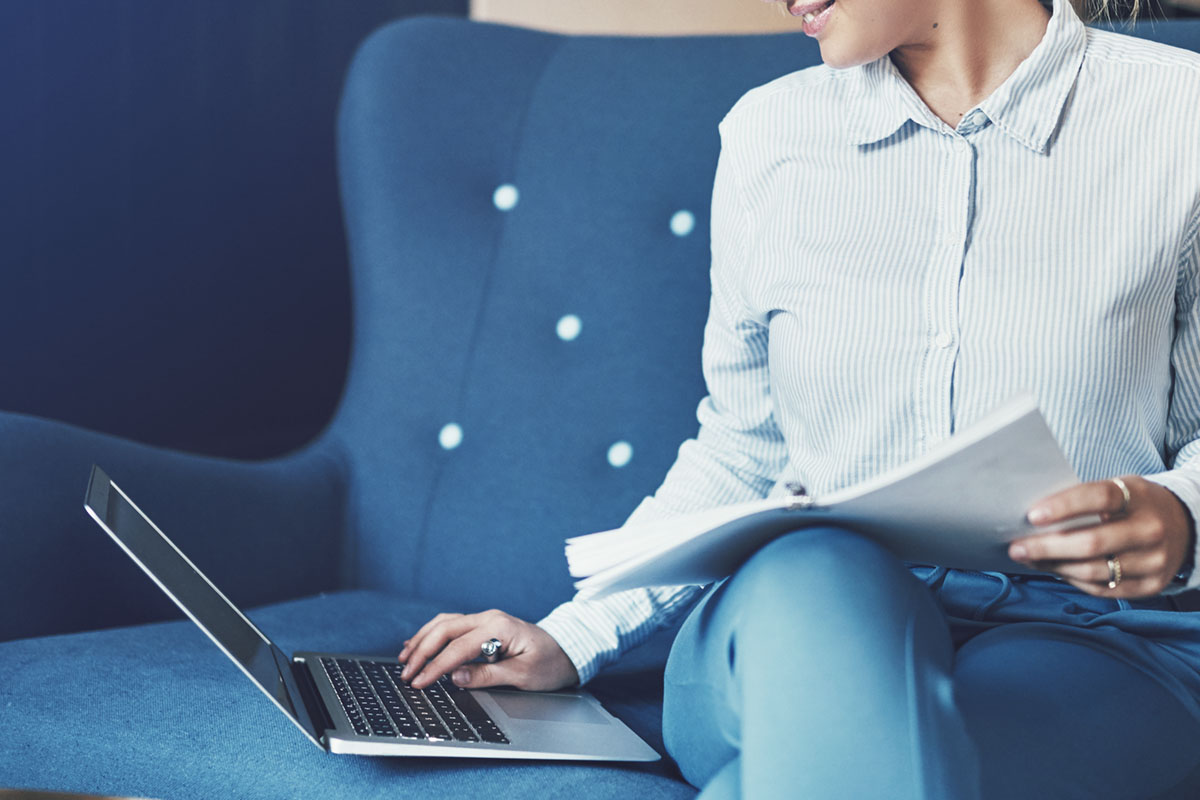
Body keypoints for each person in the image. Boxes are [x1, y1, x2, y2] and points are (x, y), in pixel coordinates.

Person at [397, 0, 1200, 795]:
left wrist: (1180, 514)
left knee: (849, 764)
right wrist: (572, 634)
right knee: (822, 572)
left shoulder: (1179, 116)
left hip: (1091, 635)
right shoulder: (769, 133)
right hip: (793, 614)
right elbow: (745, 446)